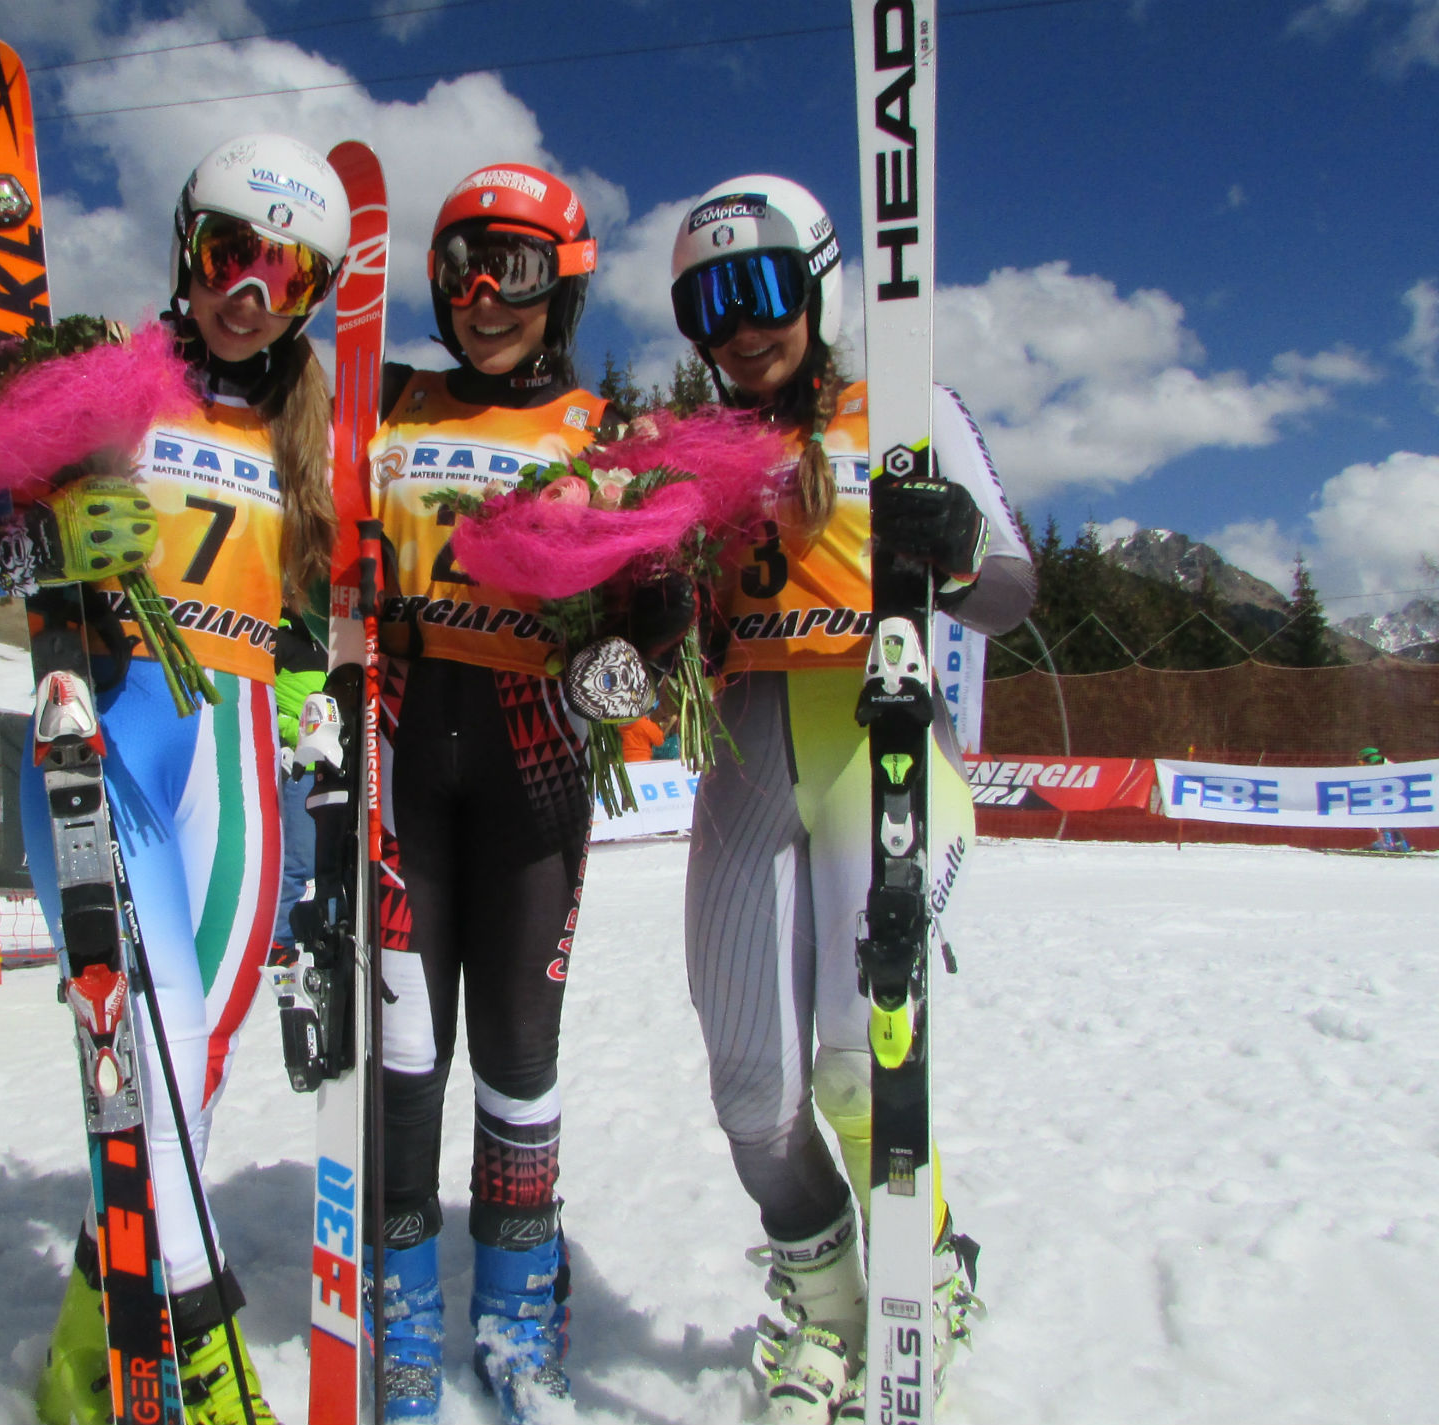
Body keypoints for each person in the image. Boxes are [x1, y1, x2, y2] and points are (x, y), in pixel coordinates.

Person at [0, 132, 347, 1425]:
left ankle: (86, 1362)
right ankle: (203, 1360)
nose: (250, 291)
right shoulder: (102, 376)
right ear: (183, 247)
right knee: (147, 1056)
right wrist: (32, 541)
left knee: (182, 1084)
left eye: (288, 274)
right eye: (228, 254)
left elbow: (332, 604)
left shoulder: (307, 432)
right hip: (101, 737)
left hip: (238, 766)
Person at [668, 175, 1034, 1423]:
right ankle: (826, 1309)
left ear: (819, 287)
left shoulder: (908, 407)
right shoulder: (696, 450)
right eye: (705, 306)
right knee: (750, 1094)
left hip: (880, 744)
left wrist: (955, 548)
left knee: (851, 1061)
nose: (737, 328)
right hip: (746, 756)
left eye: (760, 290)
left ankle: (924, 1276)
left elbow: (1011, 594)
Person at [366, 161, 616, 1425]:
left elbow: (650, 620)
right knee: (405, 1052)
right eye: (458, 268)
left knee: (518, 1050)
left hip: (533, 765)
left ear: (560, 284)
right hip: (402, 757)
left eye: (510, 269)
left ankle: (517, 1315)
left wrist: (631, 656)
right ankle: (403, 1307)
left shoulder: (598, 430)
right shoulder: (389, 404)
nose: (480, 297)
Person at [270, 615, 326, 954]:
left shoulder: (331, 630)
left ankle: (326, 937)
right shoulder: (278, 634)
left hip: (342, 764)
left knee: (333, 862)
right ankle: (280, 942)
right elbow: (262, 698)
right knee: (298, 863)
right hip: (302, 766)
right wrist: (296, 733)